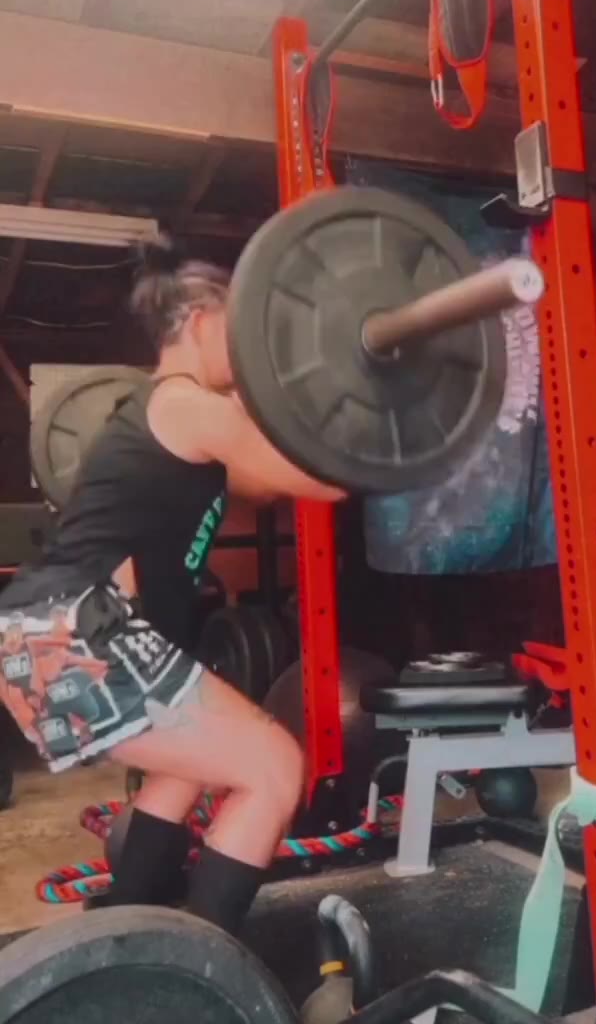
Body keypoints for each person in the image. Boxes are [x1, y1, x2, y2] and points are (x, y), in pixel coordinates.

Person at [0, 237, 346, 936]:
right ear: (200, 321)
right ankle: (203, 973)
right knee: (275, 768)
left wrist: (261, 402)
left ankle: (129, 928)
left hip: (40, 637)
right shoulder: (186, 404)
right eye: (236, 328)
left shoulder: (169, 412)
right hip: (74, 632)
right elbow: (318, 479)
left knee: (186, 769)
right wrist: (354, 400)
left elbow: (259, 481)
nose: (246, 348)